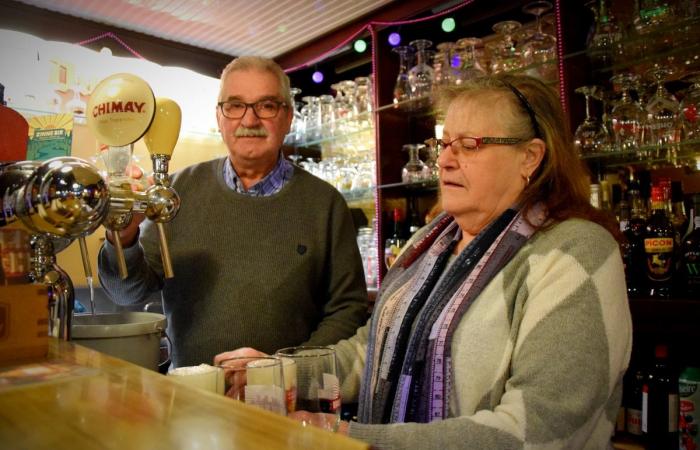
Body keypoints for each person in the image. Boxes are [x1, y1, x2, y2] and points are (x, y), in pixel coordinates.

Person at [217, 73, 632, 449]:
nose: (446, 160)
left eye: (469, 145)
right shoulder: (431, 241)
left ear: (531, 157)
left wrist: (343, 435)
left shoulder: (575, 251)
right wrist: (280, 372)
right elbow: (372, 351)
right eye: (445, 143)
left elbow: (537, 430)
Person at [98, 56, 368, 368]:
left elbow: (348, 311)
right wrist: (124, 236)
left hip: (289, 407)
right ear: (219, 117)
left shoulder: (325, 203)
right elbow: (126, 294)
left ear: (288, 117)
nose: (250, 120)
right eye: (235, 105)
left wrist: (285, 372)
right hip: (192, 400)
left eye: (266, 106)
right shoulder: (176, 192)